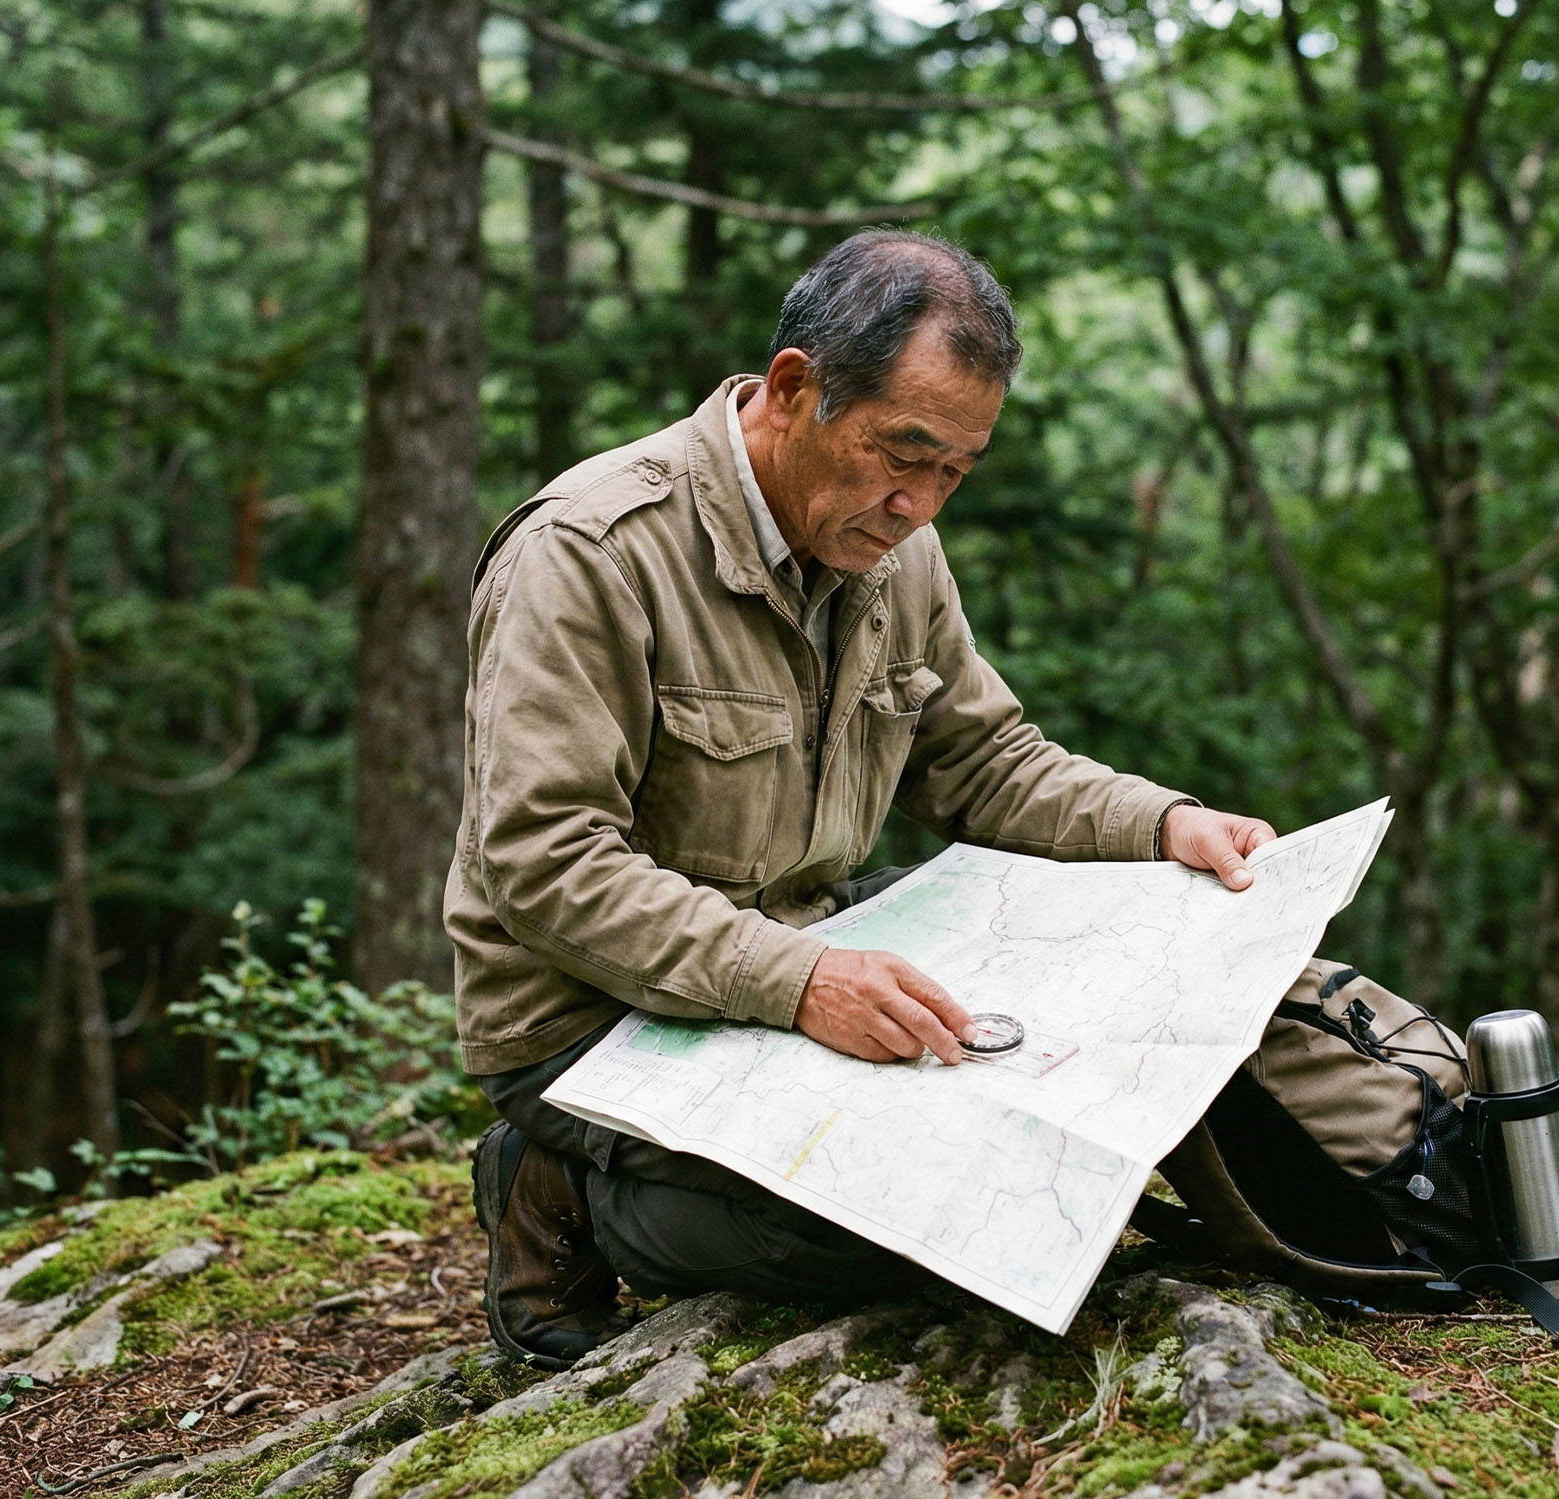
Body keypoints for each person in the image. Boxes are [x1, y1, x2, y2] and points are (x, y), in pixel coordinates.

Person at [446, 230, 1275, 1370]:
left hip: (811, 947)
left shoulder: (892, 550)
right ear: (793, 389)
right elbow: (543, 863)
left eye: (954, 470)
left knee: (1065, 1115)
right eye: (903, 452)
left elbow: (983, 761)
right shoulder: (589, 551)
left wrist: (1161, 823)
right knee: (929, 1236)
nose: (917, 504)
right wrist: (798, 983)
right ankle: (557, 1186)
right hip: (590, 1019)